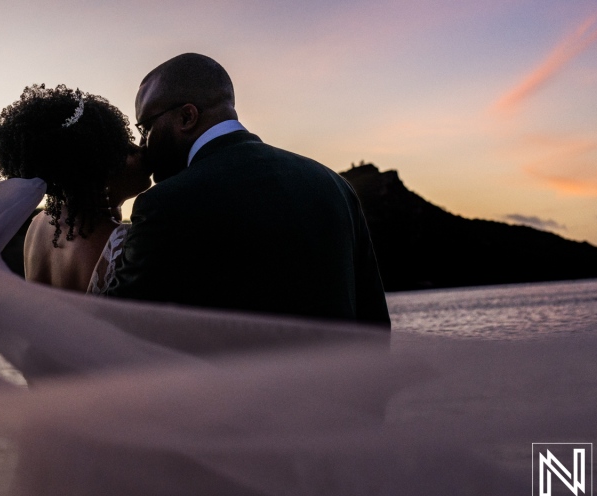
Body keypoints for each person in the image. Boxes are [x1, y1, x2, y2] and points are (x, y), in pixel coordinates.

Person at [108, 53, 391, 325]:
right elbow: (375, 323)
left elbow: (112, 326)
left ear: (186, 117)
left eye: (145, 129)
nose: (143, 146)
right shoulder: (336, 186)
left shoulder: (164, 205)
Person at [0, 84, 151, 293]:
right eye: (127, 149)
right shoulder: (120, 243)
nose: (142, 150)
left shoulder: (39, 226)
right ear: (97, 170)